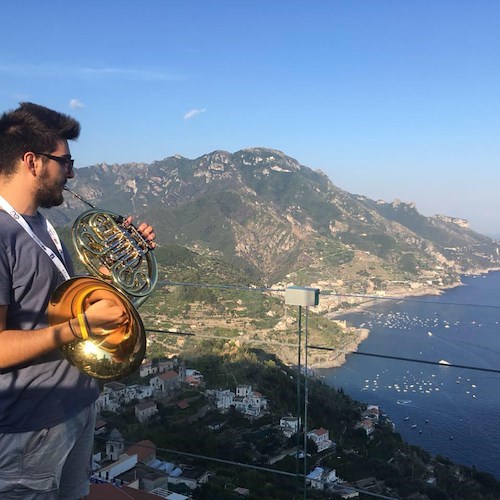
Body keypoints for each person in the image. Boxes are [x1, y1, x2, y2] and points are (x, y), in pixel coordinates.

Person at [0, 102, 156, 499]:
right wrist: (80, 328)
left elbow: (60, 302)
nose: (71, 173)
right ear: (32, 161)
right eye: (65, 162)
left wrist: (119, 262)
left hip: (74, 406)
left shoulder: (41, 223)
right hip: (29, 429)